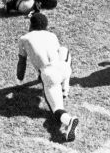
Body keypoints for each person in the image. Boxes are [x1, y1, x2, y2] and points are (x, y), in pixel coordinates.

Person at [16, 12, 79, 142]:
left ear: (31, 24)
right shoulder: (52, 35)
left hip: (50, 75)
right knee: (64, 50)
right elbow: (57, 52)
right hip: (64, 68)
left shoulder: (24, 38)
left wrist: (19, 80)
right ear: (46, 25)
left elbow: (22, 62)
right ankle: (65, 88)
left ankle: (69, 120)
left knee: (56, 110)